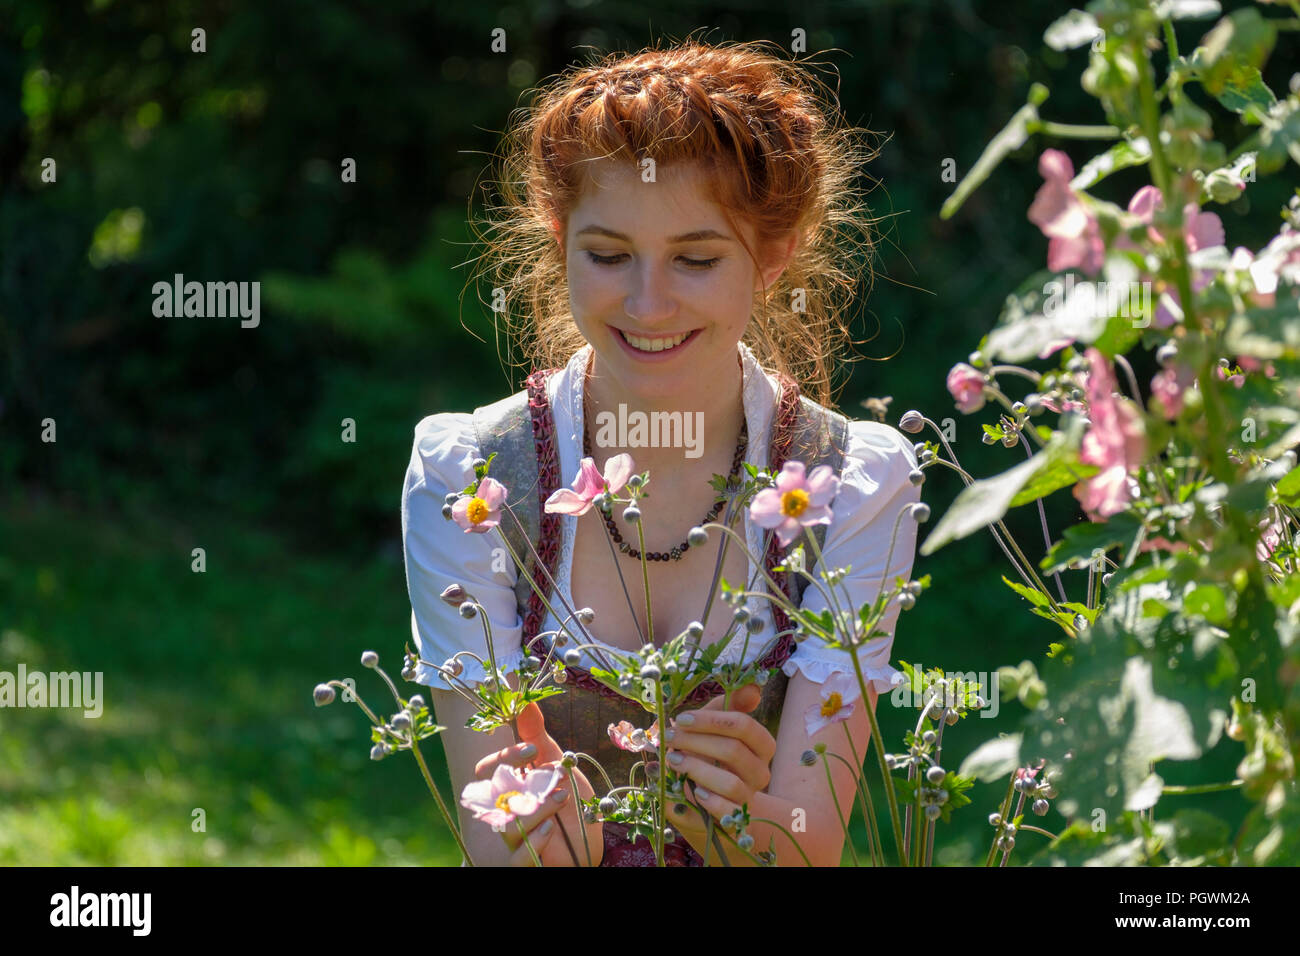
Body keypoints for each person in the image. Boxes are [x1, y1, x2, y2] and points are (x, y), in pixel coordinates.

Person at [401, 38, 923, 866]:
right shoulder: (470, 478)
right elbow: (491, 843)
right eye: (608, 256)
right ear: (558, 238)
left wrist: (738, 823)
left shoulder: (853, 485)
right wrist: (549, 842)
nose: (647, 303)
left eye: (696, 259)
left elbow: (812, 844)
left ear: (774, 256)